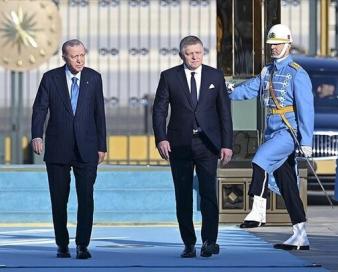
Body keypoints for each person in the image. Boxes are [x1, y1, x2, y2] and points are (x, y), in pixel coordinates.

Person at [227, 24, 314, 250]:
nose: (273, 48)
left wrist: (306, 141)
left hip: (288, 132)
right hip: (272, 132)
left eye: (278, 44)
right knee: (288, 185)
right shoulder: (267, 71)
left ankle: (258, 211)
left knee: (260, 159)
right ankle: (300, 234)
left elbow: (306, 109)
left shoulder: (297, 73)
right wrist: (227, 91)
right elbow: (248, 90)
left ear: (288, 44)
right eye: (271, 45)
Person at [152, 35, 233, 258]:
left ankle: (209, 241)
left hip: (208, 145)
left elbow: (224, 112)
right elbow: (159, 110)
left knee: (208, 194)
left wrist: (227, 144)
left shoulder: (215, 75)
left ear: (203, 52)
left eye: (198, 52)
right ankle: (189, 242)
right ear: (182, 55)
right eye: (189, 53)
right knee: (183, 196)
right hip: (179, 144)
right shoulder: (169, 77)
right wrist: (161, 138)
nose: (194, 57)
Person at [31, 39, 107, 259]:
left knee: (86, 198)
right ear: (64, 57)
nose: (79, 59)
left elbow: (99, 113)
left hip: (87, 148)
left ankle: (83, 244)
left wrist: (102, 145)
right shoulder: (50, 78)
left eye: (82, 55)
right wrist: (37, 134)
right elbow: (40, 109)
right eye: (74, 56)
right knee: (59, 199)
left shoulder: (94, 78)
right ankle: (62, 244)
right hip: (58, 148)